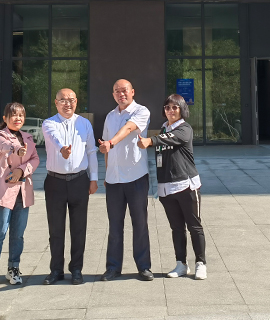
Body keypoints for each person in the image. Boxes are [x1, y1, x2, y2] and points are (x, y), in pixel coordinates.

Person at [137, 93, 207, 280]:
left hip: (186, 185)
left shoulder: (184, 128)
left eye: (175, 107)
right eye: (167, 107)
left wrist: (150, 141)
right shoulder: (164, 129)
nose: (171, 111)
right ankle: (181, 264)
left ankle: (200, 263)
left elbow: (171, 138)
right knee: (176, 228)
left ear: (182, 109)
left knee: (194, 226)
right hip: (167, 188)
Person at [41, 88, 99, 285]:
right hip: (55, 182)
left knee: (79, 228)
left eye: (71, 100)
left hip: (79, 181)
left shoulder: (84, 123)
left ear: (76, 102)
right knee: (56, 229)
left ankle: (76, 269)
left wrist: (94, 179)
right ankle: (56, 270)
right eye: (63, 100)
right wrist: (62, 149)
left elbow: (91, 151)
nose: (68, 103)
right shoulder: (49, 123)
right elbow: (53, 138)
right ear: (56, 103)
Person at [98, 79, 153, 281]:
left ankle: (144, 266)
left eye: (124, 91)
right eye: (117, 91)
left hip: (136, 176)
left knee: (140, 224)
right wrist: (107, 173)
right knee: (114, 226)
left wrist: (111, 142)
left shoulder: (141, 111)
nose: (121, 94)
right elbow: (105, 147)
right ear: (113, 95)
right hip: (114, 180)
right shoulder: (110, 116)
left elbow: (129, 129)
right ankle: (113, 268)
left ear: (132, 92)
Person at [0, 102, 40, 287]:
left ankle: (14, 268)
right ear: (5, 118)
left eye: (21, 115)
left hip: (22, 192)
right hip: (3, 191)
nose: (18, 118)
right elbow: (4, 146)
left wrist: (22, 170)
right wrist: (16, 149)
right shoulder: (0, 136)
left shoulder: (28, 138)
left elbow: (35, 159)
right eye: (13, 115)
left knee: (18, 234)